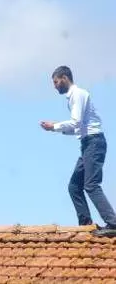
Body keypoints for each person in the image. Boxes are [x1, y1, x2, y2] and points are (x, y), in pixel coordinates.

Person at [40, 65, 116, 237]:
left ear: (65, 78)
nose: (55, 86)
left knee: (91, 185)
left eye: (56, 82)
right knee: (74, 186)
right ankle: (86, 224)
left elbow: (75, 122)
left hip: (93, 143)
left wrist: (55, 126)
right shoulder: (72, 98)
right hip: (87, 143)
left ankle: (113, 223)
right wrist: (54, 129)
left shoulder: (78, 94)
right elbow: (78, 128)